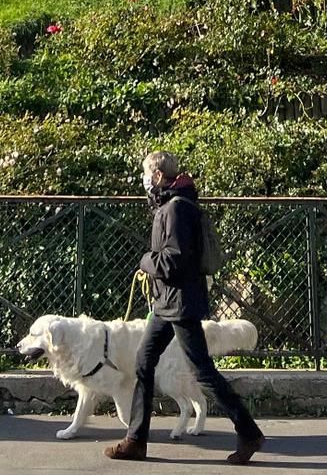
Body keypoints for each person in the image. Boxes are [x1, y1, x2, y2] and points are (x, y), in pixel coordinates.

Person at [104, 151, 264, 464]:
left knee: (202, 371)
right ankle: (136, 439)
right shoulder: (175, 204)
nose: (145, 181)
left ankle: (249, 432)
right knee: (144, 362)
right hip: (168, 303)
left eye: (147, 174)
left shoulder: (175, 209)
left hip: (178, 302)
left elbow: (173, 260)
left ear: (159, 176)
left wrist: (146, 260)